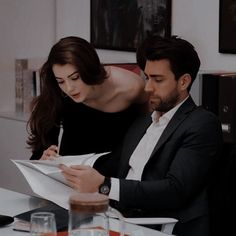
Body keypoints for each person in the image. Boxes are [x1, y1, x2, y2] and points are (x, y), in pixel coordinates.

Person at [59, 35, 223, 236]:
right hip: (117, 218)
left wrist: (104, 185)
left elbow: (175, 190)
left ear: (183, 82)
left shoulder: (201, 123)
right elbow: (111, 168)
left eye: (158, 79)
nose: (147, 87)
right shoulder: (142, 123)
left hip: (160, 227)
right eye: (147, 77)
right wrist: (61, 167)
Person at [27, 36, 148, 160]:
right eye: (61, 81)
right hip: (70, 171)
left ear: (89, 68)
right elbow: (41, 150)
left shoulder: (131, 87)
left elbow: (152, 128)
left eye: (75, 78)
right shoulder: (58, 92)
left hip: (115, 174)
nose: (69, 88)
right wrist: (43, 159)